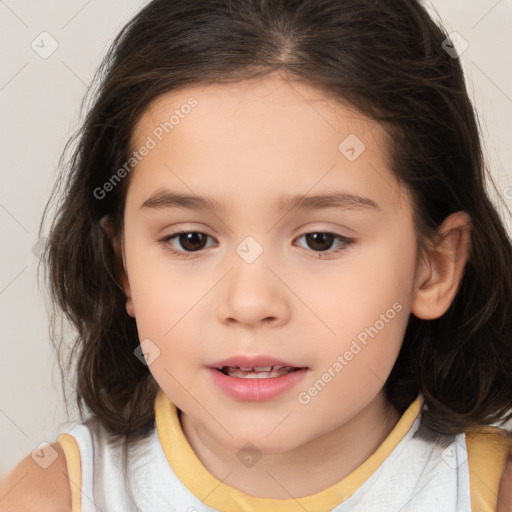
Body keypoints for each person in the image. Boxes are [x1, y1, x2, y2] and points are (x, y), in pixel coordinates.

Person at [1, 0, 512, 510]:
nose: (249, 303)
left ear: (434, 267)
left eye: (320, 240)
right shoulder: (56, 496)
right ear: (124, 268)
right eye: (191, 240)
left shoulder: (492, 490)